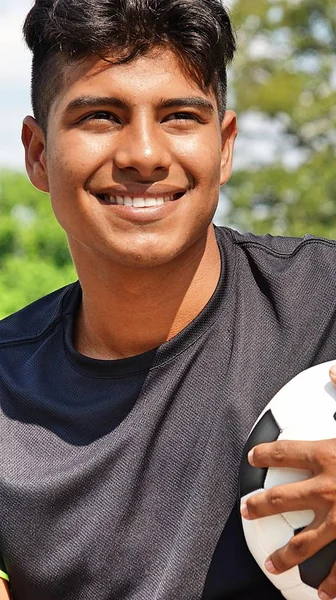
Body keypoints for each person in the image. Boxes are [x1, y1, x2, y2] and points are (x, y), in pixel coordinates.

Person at [1, 0, 336, 599]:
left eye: (180, 116)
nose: (145, 155)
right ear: (37, 153)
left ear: (225, 146)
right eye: (101, 116)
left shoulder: (326, 302)